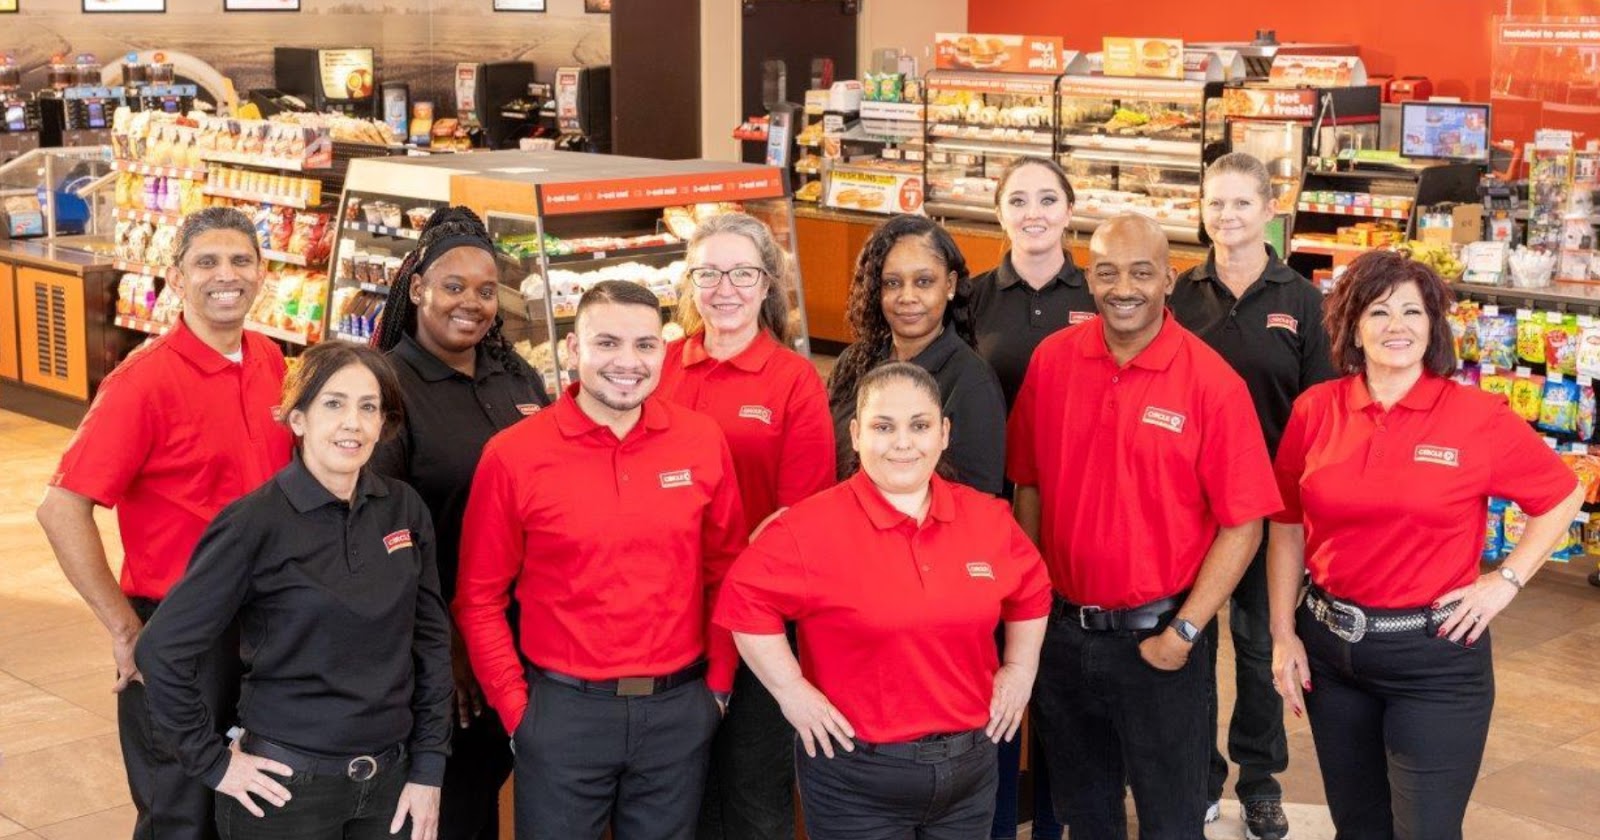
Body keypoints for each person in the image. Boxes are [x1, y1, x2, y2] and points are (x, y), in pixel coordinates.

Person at [1268, 250, 1582, 840]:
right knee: (1358, 828)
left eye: (1413, 312)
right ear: (1353, 328)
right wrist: (1283, 634)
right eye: (1379, 311)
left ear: (1434, 326)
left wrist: (1505, 581)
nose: (1398, 326)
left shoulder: (1476, 416)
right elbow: (1286, 526)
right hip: (1332, 653)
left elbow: (1563, 494)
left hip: (1435, 662)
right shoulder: (1316, 410)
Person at [1008, 213, 1282, 839]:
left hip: (1161, 644)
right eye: (1107, 273)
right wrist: (1035, 606)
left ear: (1169, 279)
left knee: (1171, 823)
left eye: (1141, 273)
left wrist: (1183, 632)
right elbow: (1029, 485)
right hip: (1064, 637)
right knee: (1085, 819)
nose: (1123, 288)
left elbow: (1245, 525)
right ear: (1088, 279)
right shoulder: (1052, 362)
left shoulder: (1212, 383)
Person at [455, 279, 748, 840]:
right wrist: (518, 713)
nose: (628, 362)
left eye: (644, 345)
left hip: (678, 712)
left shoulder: (701, 441)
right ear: (573, 349)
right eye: (607, 343)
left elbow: (727, 573)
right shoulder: (514, 455)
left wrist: (717, 689)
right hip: (563, 714)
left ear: (663, 351)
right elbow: (479, 599)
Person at [35, 206, 293, 840]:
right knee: (181, 812)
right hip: (182, 635)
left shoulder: (270, 360)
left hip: (266, 627)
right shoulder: (142, 382)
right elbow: (61, 508)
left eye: (240, 260)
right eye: (207, 262)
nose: (226, 275)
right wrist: (126, 628)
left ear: (261, 272)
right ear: (176, 278)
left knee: (250, 806)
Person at [716, 361, 1052, 840]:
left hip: (969, 772)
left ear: (944, 433)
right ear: (855, 435)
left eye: (919, 426)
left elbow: (1033, 588)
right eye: (883, 427)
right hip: (855, 780)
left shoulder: (987, 518)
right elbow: (744, 598)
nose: (903, 443)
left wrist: (1020, 669)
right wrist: (791, 691)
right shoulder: (808, 528)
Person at [134, 341, 451, 840]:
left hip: (391, 783)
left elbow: (431, 643)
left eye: (368, 407)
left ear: (383, 423)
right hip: (286, 791)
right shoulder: (252, 523)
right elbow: (160, 650)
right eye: (334, 404)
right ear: (298, 418)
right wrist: (213, 763)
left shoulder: (404, 509)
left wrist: (428, 767)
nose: (353, 423)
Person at [1168, 151, 1337, 839]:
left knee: (1262, 644)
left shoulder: (1302, 301)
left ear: (1270, 210)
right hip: (1189, 507)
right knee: (1189, 642)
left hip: (1271, 512)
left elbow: (1321, 411)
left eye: (1242, 203)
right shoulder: (1177, 295)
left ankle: (1260, 781)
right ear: (1201, 209)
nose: (1227, 215)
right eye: (1215, 202)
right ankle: (1199, 776)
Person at [368, 206, 548, 840]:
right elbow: (382, 535)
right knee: (453, 800)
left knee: (500, 783)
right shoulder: (386, 386)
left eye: (485, 290)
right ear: (417, 288)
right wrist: (446, 644)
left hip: (524, 630)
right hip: (443, 642)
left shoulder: (516, 377)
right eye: (453, 286)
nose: (471, 303)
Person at [661, 212, 835, 840]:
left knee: (754, 798)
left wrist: (736, 587)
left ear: (766, 285)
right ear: (690, 283)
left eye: (742, 273)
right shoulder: (661, 365)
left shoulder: (794, 380)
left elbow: (800, 519)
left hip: (759, 623)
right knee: (678, 794)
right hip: (667, 616)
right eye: (708, 273)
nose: (724, 289)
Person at [967, 156, 1085, 840]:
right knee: (1000, 668)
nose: (1033, 212)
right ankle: (999, 813)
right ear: (999, 212)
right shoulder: (974, 299)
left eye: (1047, 198)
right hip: (992, 507)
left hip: (1073, 506)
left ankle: (1056, 818)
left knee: (1062, 676)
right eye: (1018, 200)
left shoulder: (1097, 292)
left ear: (1069, 209)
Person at [828, 213, 1006, 496]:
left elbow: (979, 502)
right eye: (892, 283)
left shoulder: (974, 383)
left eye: (923, 282)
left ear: (949, 285)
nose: (907, 297)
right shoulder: (851, 363)